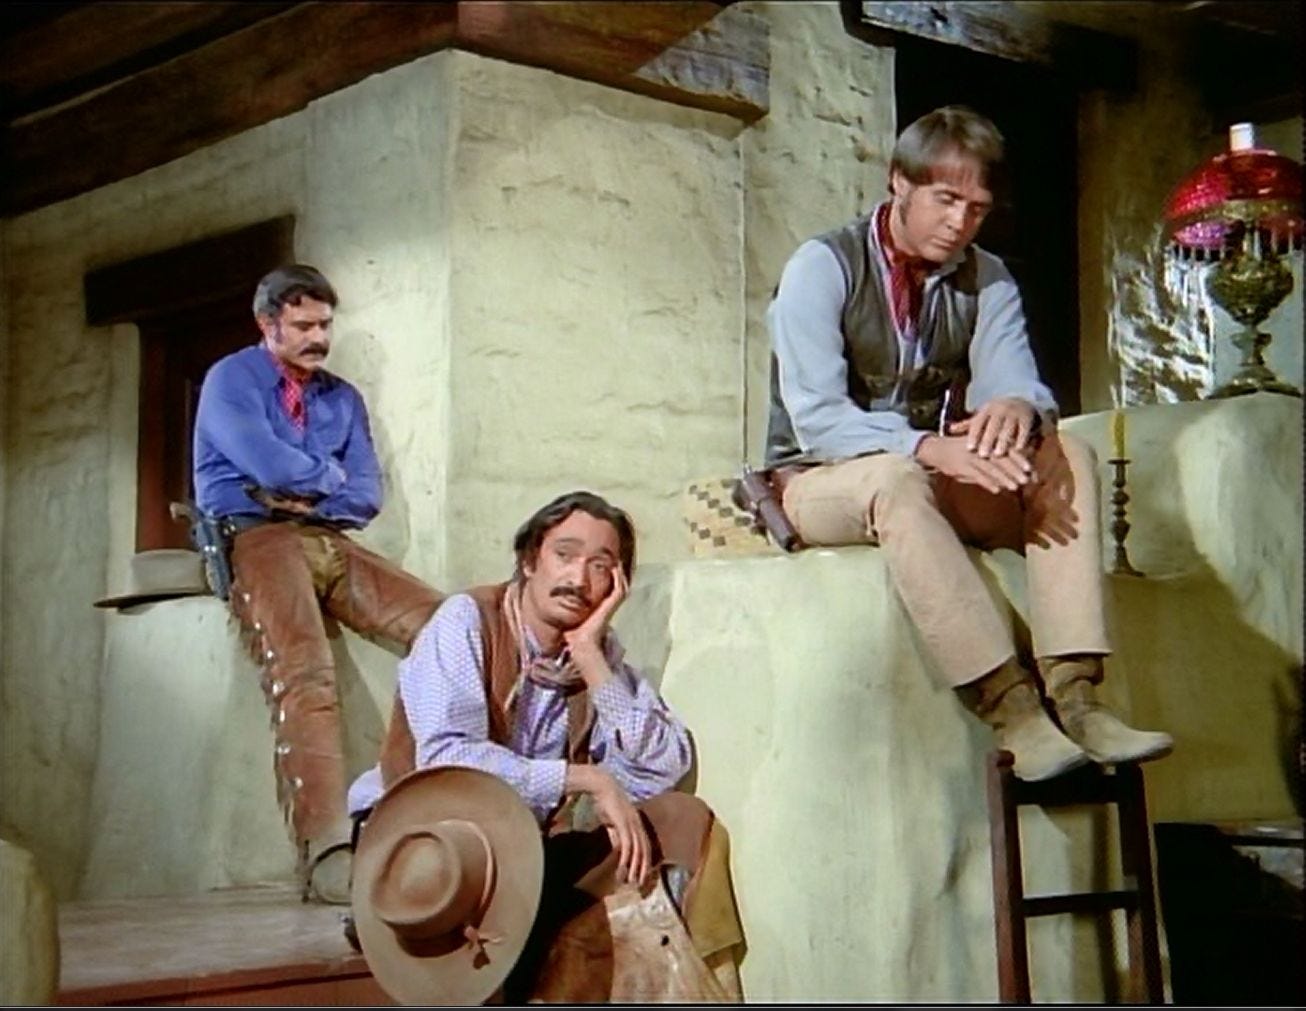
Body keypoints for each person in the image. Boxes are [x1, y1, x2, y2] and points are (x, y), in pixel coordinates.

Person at [763, 105, 1172, 782]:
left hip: (922, 478)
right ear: (899, 182)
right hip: (816, 480)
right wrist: (927, 447)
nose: (959, 222)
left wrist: (1016, 404)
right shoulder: (822, 265)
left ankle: (1078, 699)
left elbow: (1017, 379)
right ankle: (1013, 711)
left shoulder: (987, 277)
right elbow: (819, 420)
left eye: (976, 208)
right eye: (945, 199)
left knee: (1069, 452)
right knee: (894, 479)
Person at [348, 490, 745, 1001]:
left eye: (601, 565)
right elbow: (448, 761)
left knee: (680, 820)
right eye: (565, 555)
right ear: (529, 560)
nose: (578, 579)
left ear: (616, 586)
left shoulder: (592, 655)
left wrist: (592, 660)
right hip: (428, 844)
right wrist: (585, 779)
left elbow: (662, 767)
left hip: (523, 853)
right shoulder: (466, 620)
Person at [192, 264, 444, 901]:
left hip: (329, 538)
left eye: (325, 324)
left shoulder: (342, 398)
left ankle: (402, 803)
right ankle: (327, 847)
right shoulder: (231, 379)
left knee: (449, 628)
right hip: (255, 537)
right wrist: (321, 478)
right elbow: (265, 461)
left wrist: (304, 490)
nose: (318, 338)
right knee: (305, 671)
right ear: (267, 324)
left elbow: (366, 495)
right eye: (303, 325)